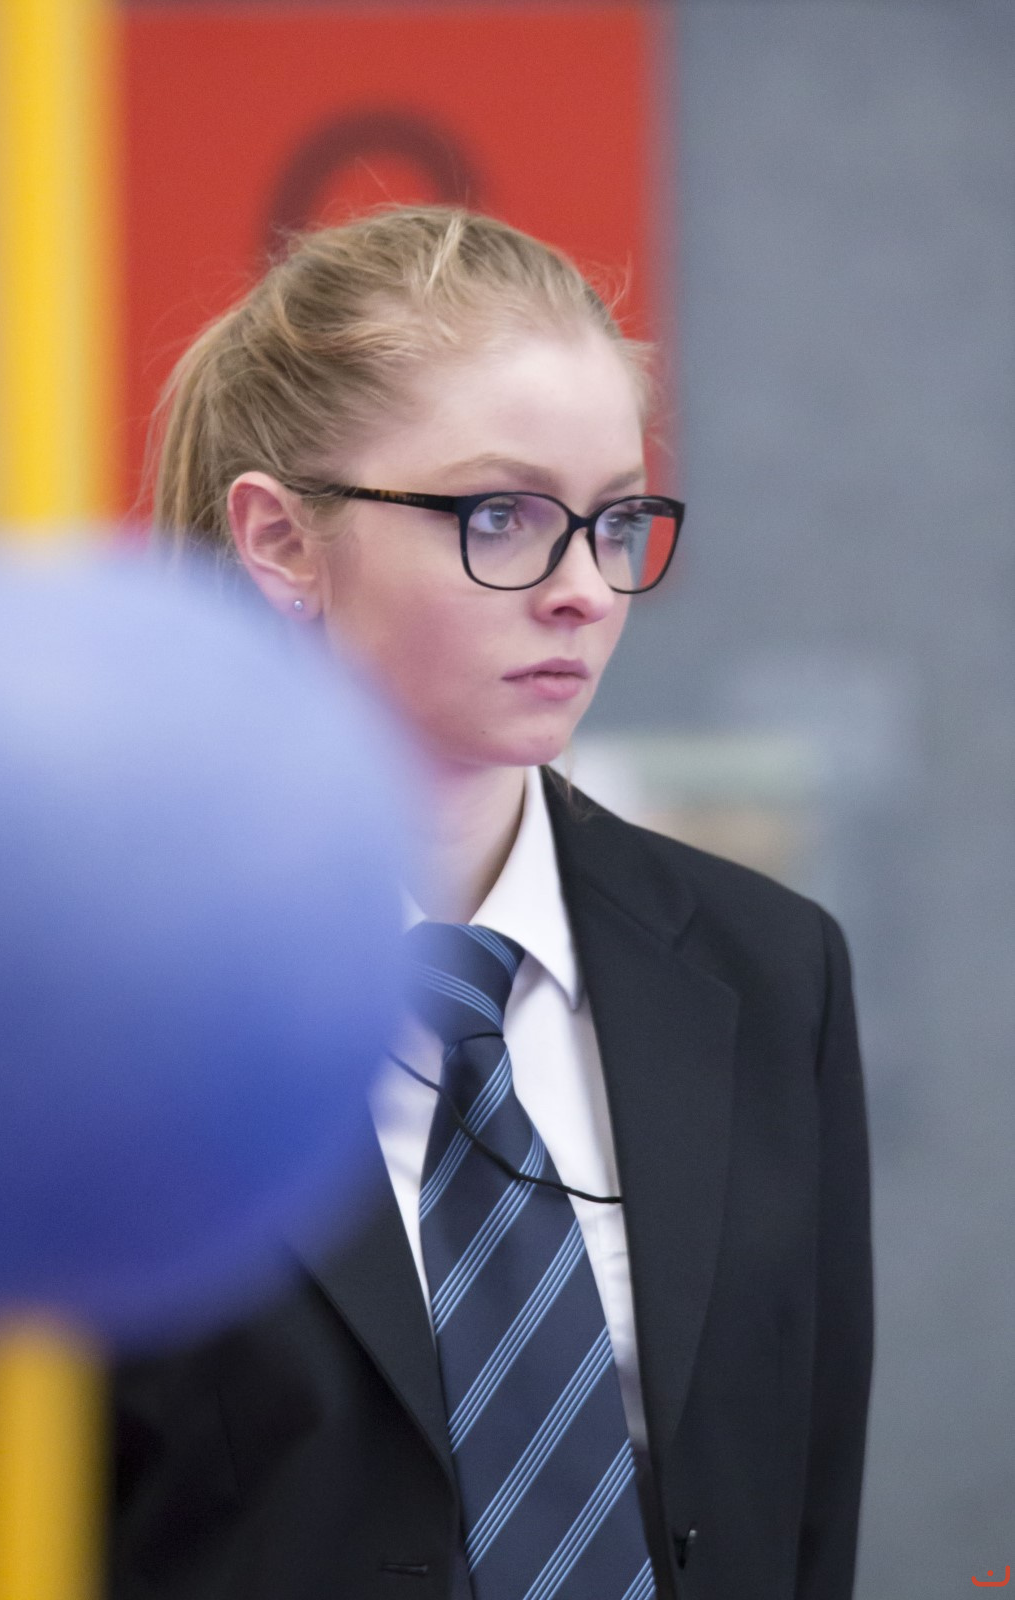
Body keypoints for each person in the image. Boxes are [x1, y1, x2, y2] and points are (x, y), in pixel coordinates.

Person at [111, 206, 872, 1600]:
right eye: (501, 517)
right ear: (281, 540)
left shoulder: (771, 971)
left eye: (616, 521)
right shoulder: (85, 990)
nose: (584, 591)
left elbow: (803, 1520)